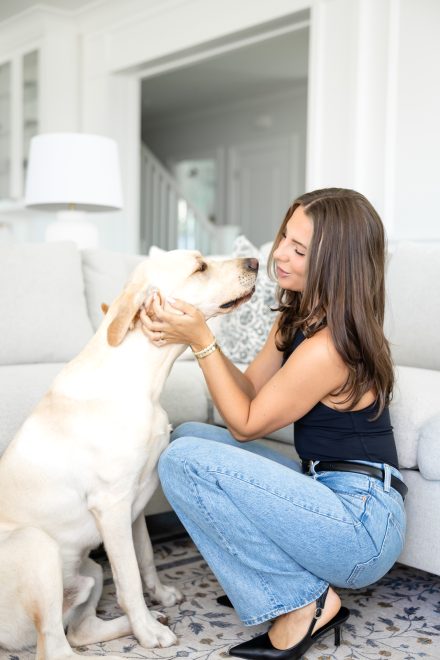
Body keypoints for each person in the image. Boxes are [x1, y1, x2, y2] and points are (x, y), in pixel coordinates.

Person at [140, 188, 407, 660]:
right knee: (186, 437)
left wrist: (200, 338)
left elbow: (244, 427)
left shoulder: (330, 348)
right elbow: (244, 397)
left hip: (362, 524)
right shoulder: (297, 320)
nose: (279, 253)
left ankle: (306, 603)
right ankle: (281, 585)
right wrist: (201, 332)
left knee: (186, 460)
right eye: (285, 236)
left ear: (336, 263)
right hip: (324, 490)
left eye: (299, 250)